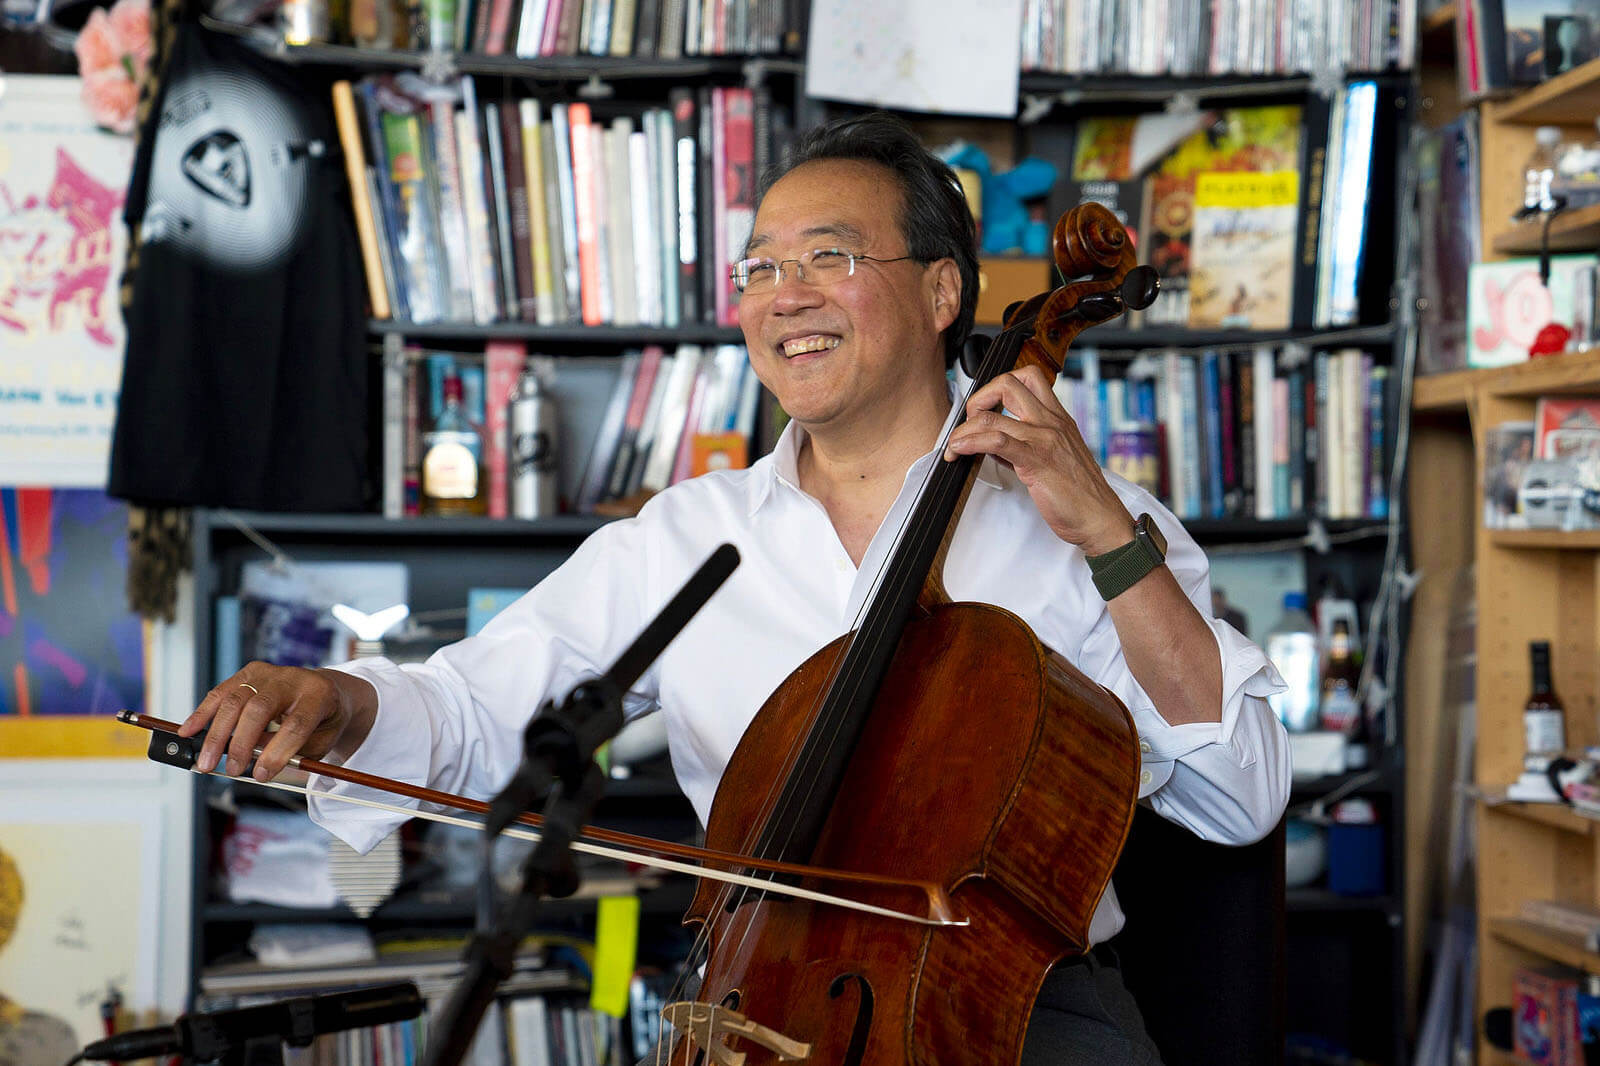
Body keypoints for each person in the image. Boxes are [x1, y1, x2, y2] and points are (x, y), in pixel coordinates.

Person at [182, 111, 1291, 1065]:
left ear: (944, 289)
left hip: (1019, 1015)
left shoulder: (1091, 524)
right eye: (759, 268)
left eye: (827, 258)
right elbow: (481, 710)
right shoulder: (684, 537)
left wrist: (1103, 528)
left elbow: (1239, 795)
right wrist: (344, 700)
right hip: (759, 1008)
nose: (783, 297)